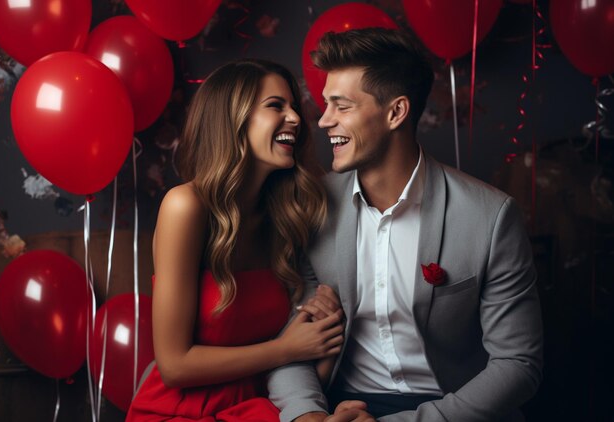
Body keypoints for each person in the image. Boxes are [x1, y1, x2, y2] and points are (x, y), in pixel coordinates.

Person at [268, 28, 543, 422]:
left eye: (341, 106)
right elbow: (291, 341)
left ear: (396, 112)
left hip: (453, 409)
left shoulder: (491, 216)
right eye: (325, 105)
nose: (324, 121)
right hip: (345, 405)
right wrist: (307, 415)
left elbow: (518, 364)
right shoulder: (312, 205)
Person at [126, 58, 344, 421]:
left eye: (293, 107)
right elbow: (174, 365)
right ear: (233, 119)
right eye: (276, 106)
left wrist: (322, 343)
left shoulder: (285, 214)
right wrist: (286, 349)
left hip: (263, 407)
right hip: (181, 412)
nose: (295, 118)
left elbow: (295, 359)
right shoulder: (186, 207)